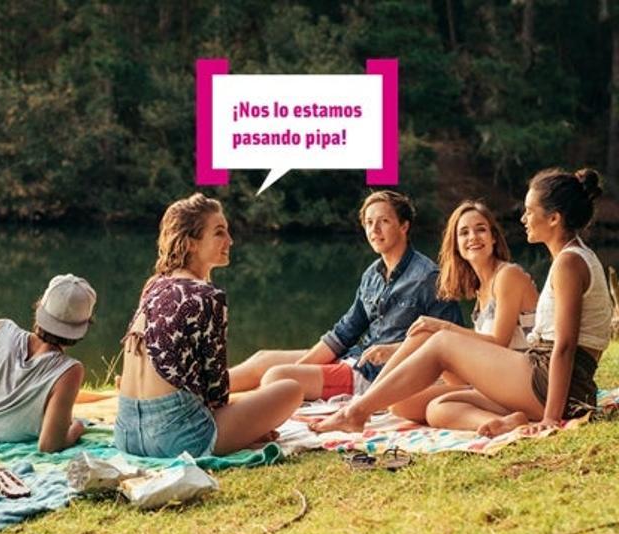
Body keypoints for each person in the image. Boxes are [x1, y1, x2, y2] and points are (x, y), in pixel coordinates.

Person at [311, 168, 612, 436]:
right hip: (544, 380)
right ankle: (510, 422)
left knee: (442, 341)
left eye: (530, 211)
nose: (523, 218)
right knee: (438, 407)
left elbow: (564, 347)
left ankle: (355, 412)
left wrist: (551, 418)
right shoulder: (572, 258)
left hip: (553, 383)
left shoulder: (569, 263)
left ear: (554, 218)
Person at [114, 193, 302, 458]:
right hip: (176, 441)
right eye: (219, 232)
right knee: (291, 390)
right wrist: (247, 426)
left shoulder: (154, 285)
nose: (230, 241)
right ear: (191, 243)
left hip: (126, 433)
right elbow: (216, 394)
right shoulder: (206, 295)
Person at [229, 190, 463, 400]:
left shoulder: (430, 277)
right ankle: (204, 394)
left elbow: (448, 345)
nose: (374, 230)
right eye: (369, 223)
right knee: (263, 359)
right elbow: (345, 332)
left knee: (277, 376)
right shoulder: (372, 274)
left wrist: (394, 351)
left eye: (383, 221)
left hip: (377, 378)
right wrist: (303, 367)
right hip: (354, 359)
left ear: (404, 226)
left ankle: (235, 412)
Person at [380, 200, 539, 424]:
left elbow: (498, 343)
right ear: (456, 244)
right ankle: (502, 422)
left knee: (432, 333)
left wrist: (444, 328)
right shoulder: (481, 290)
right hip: (495, 384)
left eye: (480, 229)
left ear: (493, 237)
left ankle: (360, 406)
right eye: (464, 233)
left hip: (524, 383)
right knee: (400, 404)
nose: (473, 237)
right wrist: (399, 349)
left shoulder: (508, 276)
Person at [0, 274, 95, 452]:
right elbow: (49, 445)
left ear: (40, 308)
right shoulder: (69, 370)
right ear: (83, 327)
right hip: (3, 432)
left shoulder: (0, 327)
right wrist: (77, 427)